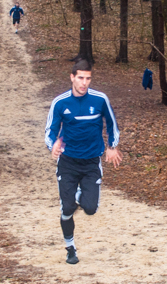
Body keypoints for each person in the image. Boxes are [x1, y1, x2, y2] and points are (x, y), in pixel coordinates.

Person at [44, 59, 122, 264]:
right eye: (80, 78)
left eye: (88, 78)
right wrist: (52, 145)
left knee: (90, 208)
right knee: (67, 208)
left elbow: (112, 123)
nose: (84, 83)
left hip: (91, 163)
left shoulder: (99, 99)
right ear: (72, 77)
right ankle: (70, 247)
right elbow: (50, 130)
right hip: (68, 163)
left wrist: (112, 146)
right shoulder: (60, 102)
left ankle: (77, 195)